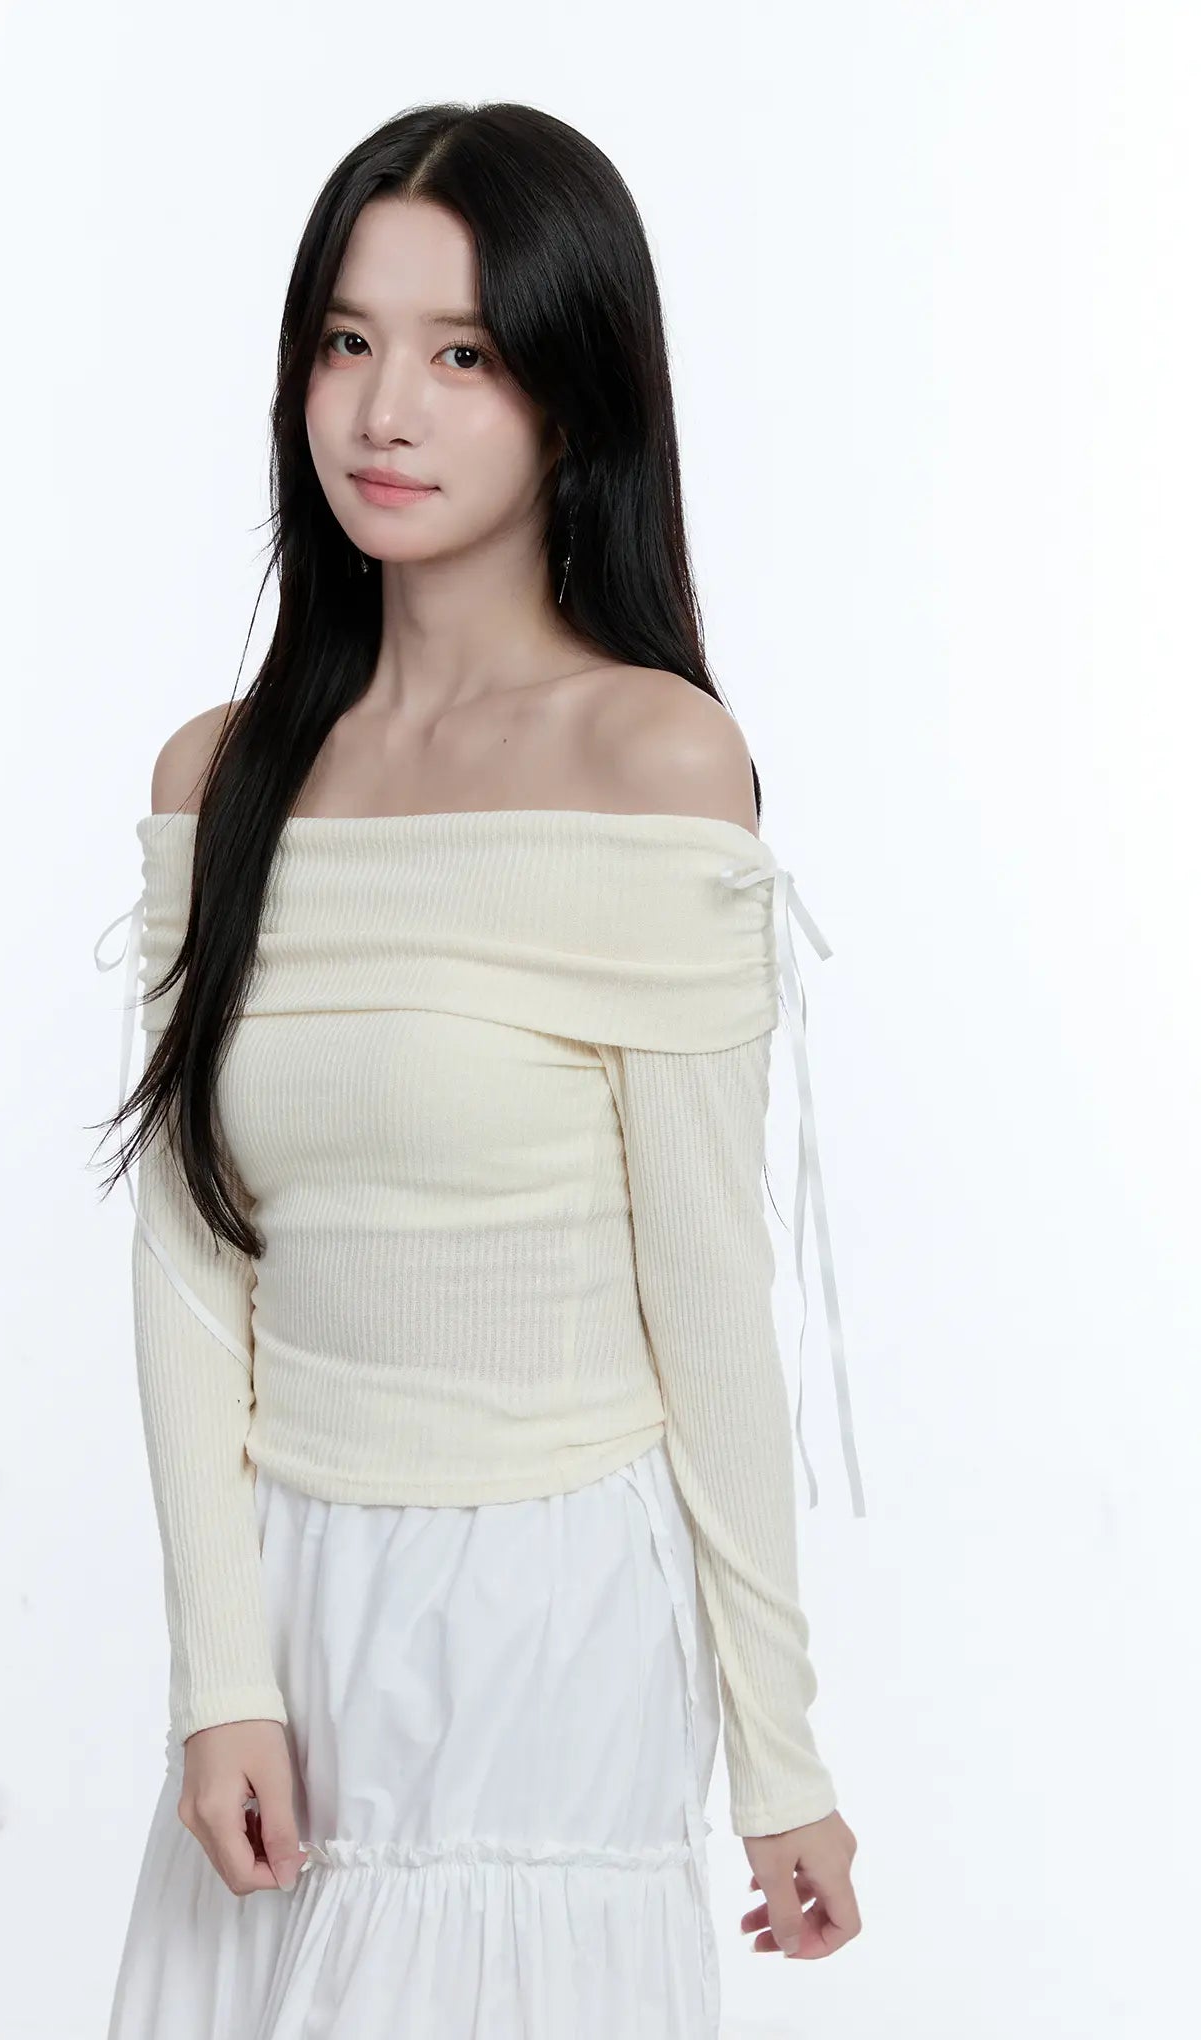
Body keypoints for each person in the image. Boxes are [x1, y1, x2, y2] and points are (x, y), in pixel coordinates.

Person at [91, 99, 865, 2040]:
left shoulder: (653, 761)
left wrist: (779, 1757)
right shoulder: (221, 776)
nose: (384, 412)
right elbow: (190, 1260)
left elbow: (711, 1292)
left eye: (463, 355)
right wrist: (219, 1676)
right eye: (348, 342)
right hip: (295, 1599)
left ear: (572, 399)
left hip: (549, 1614)